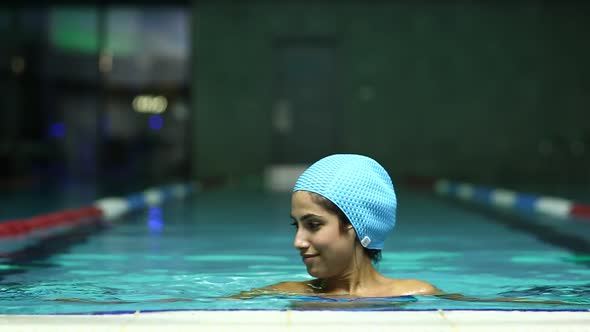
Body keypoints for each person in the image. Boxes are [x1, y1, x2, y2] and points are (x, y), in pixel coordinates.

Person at [230, 154, 574, 306]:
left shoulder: (417, 293)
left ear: (356, 226)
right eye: (297, 225)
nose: (297, 241)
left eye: (313, 225)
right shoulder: (286, 292)